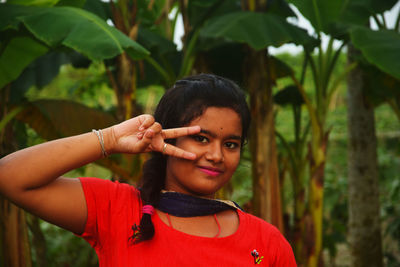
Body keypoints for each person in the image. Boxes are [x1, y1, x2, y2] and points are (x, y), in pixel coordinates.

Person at [0, 74, 296, 266]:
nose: (217, 155)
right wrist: (111, 139)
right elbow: (10, 177)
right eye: (201, 138)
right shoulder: (117, 210)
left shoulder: (266, 243)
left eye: (231, 144)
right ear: (165, 136)